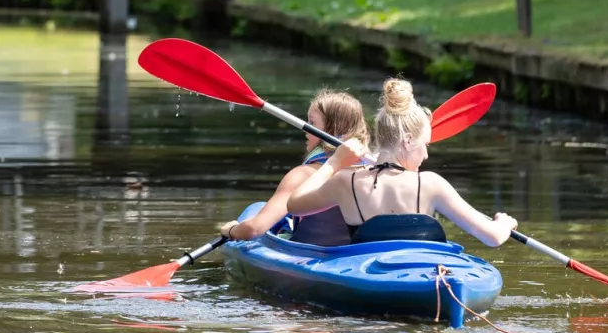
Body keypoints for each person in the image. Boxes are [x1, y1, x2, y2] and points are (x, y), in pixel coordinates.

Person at [284, 78, 516, 247]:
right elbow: (493, 237)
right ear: (406, 140)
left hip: (368, 280)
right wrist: (504, 223)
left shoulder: (346, 181)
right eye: (425, 144)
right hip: (420, 278)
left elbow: (293, 205)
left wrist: (333, 164)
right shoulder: (431, 184)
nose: (426, 155)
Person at [218, 89, 369, 244]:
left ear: (331, 130)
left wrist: (230, 230)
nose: (305, 131)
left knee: (257, 209)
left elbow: (254, 229)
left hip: (312, 254)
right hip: (355, 255)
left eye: (312, 123)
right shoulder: (374, 172)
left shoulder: (302, 175)